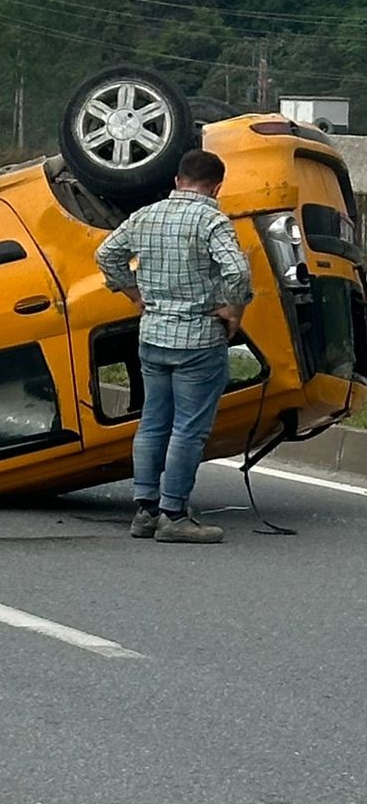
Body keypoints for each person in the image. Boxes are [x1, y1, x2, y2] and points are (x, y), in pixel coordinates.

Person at [95, 147, 252, 545]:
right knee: (187, 430)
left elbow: (106, 253)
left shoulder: (146, 215)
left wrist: (132, 292)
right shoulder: (211, 219)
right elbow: (236, 269)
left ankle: (145, 511)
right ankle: (174, 514)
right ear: (216, 186)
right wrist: (234, 309)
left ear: (178, 181)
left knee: (152, 423)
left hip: (152, 337)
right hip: (198, 339)